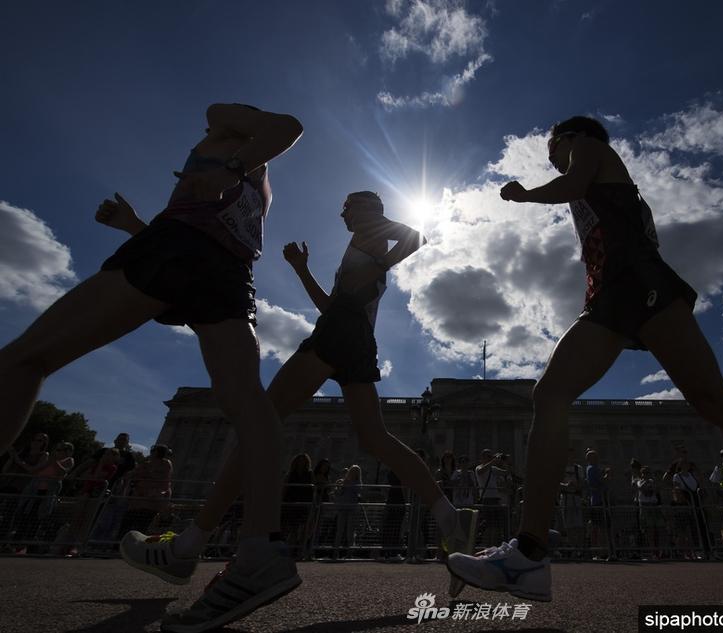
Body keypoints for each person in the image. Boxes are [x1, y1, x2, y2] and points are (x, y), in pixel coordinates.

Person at [448, 115, 723, 606]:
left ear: (567, 137)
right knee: (554, 395)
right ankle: (529, 554)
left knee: (715, 406)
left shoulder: (588, 146)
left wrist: (526, 194)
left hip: (639, 284)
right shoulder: (594, 180)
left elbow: (575, 184)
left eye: (552, 147)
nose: (552, 156)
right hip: (615, 293)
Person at [0, 102, 305, 630]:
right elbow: (208, 222)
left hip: (180, 251)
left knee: (26, 359)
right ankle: (261, 550)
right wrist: (133, 225)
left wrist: (222, 171)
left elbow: (288, 126)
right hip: (226, 272)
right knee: (249, 404)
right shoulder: (256, 176)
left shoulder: (224, 122)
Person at [119, 191, 477, 600]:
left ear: (367, 209)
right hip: (354, 335)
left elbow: (416, 236)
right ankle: (450, 518)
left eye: (349, 205)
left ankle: (188, 545)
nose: (341, 211)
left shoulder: (370, 234)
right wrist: (302, 269)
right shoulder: (364, 245)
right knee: (374, 437)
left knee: (259, 422)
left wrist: (383, 251)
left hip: (340, 332)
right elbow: (330, 303)